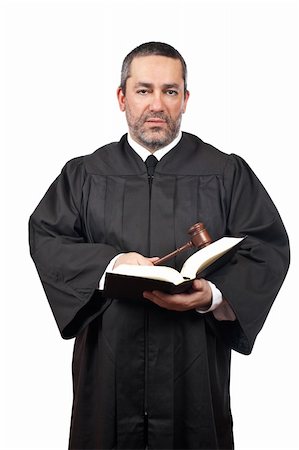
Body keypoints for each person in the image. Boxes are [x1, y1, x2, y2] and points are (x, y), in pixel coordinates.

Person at [29, 42, 290, 450]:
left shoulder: (225, 172)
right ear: (122, 97)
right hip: (108, 368)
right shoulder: (84, 174)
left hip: (194, 366)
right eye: (143, 90)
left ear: (185, 99)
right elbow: (47, 237)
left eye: (170, 91)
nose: (157, 104)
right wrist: (112, 262)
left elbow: (266, 246)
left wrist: (213, 296)